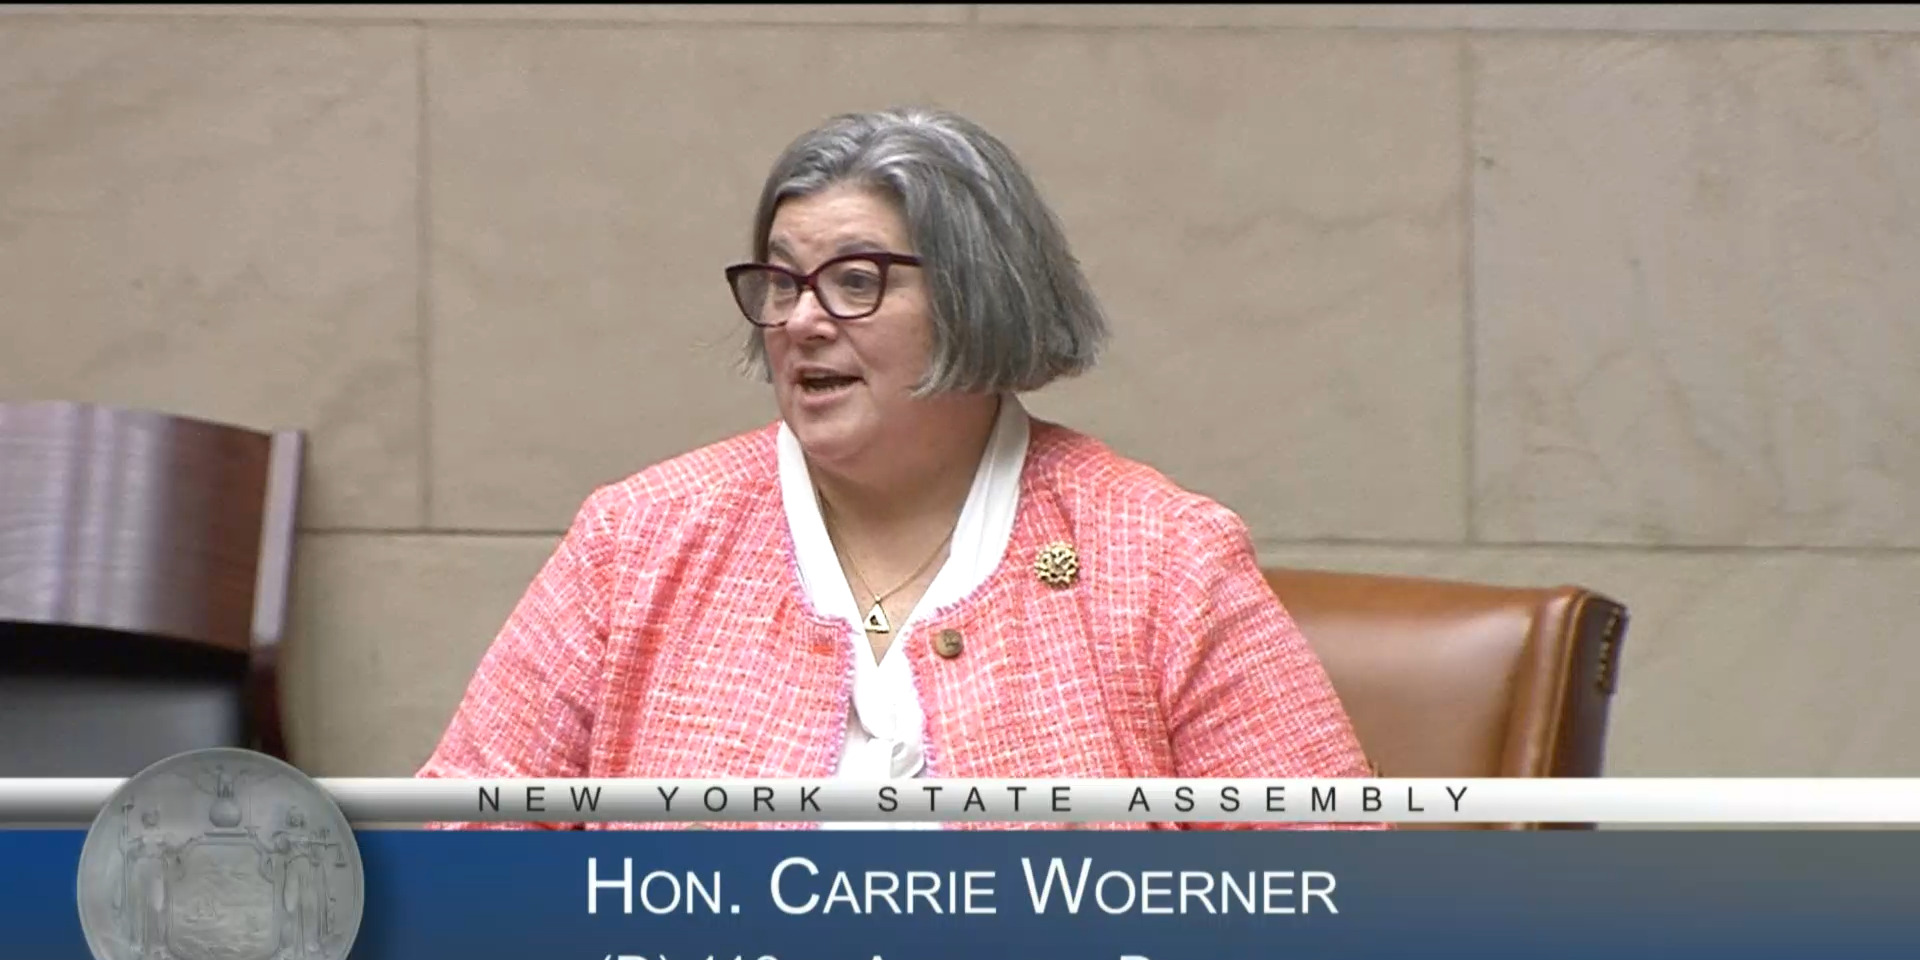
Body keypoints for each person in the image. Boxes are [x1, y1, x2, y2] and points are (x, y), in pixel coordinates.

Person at [419, 107, 1378, 829]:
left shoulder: (1162, 557)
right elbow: (456, 860)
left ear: (976, 298)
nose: (801, 320)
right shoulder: (638, 540)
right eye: (783, 282)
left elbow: (1340, 902)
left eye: (854, 280)